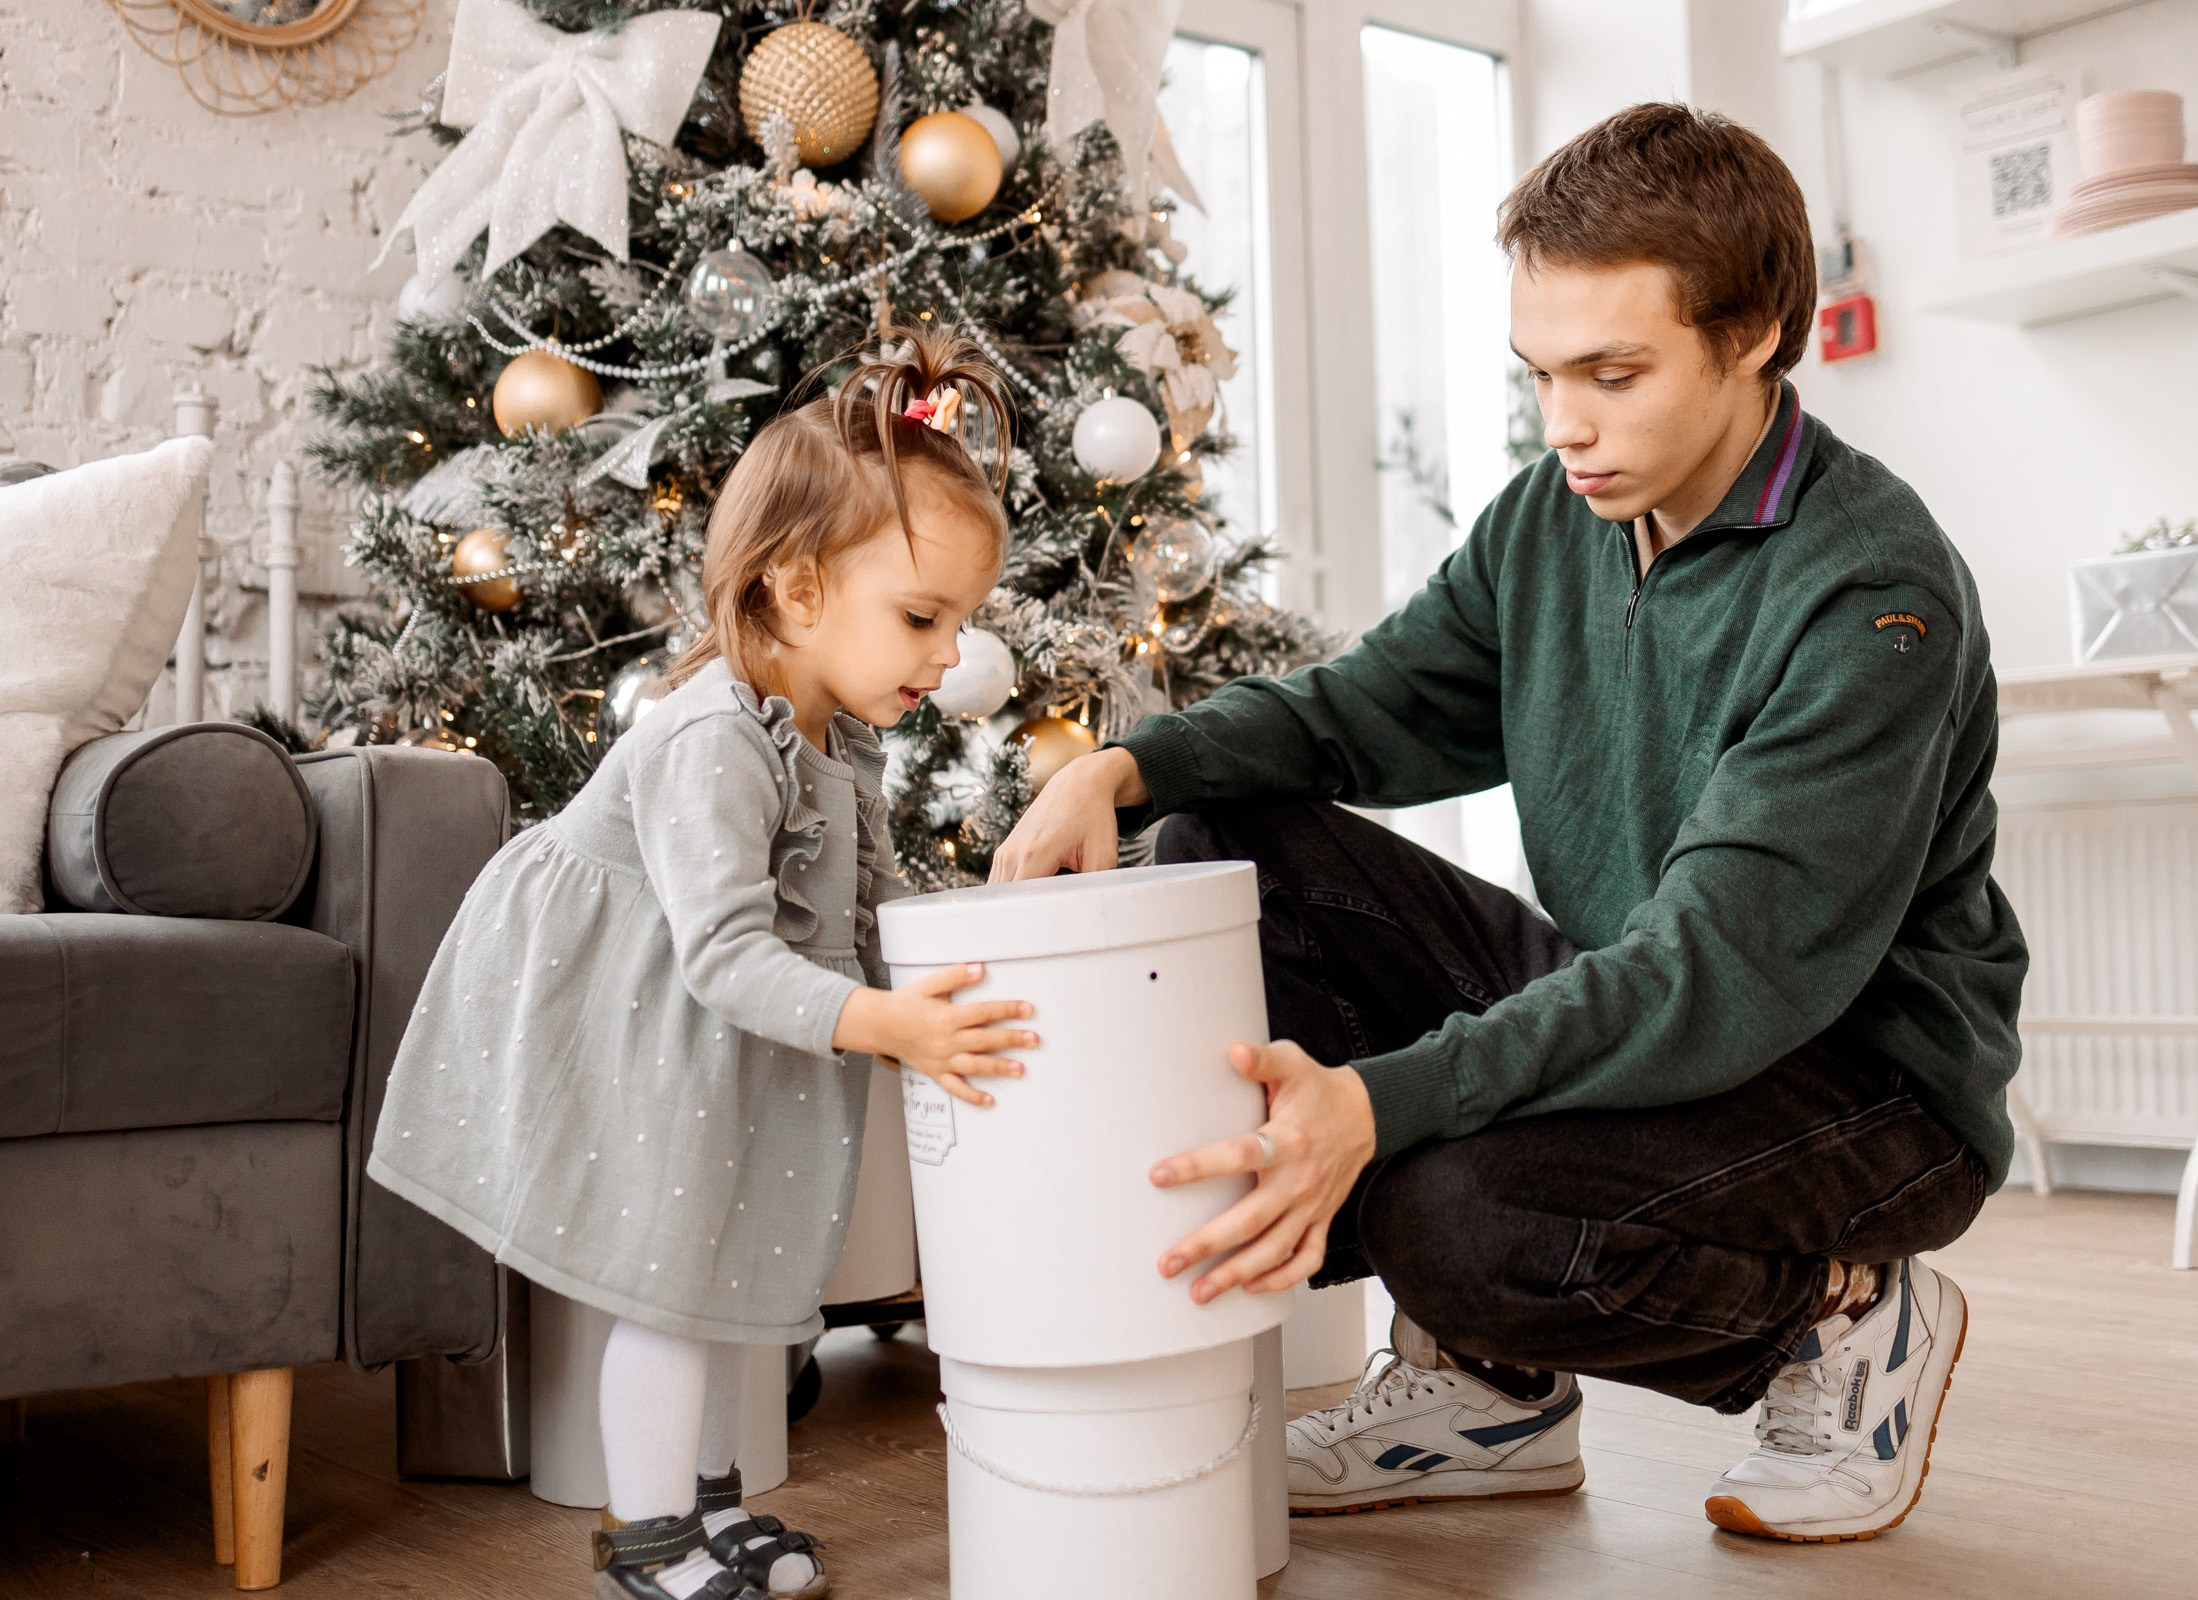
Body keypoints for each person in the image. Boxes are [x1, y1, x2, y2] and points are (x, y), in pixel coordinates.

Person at [991, 103, 2026, 1545]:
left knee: (1454, 1215)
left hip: (1858, 1083)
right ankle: (1493, 1393)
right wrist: (1126, 768)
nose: (1565, 426)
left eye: (1614, 373)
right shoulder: (1557, 517)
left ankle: (1839, 1323)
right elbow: (1367, 707)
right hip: (1670, 1011)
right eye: (1541, 375)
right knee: (1232, 849)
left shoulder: (1870, 598)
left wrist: (1382, 1102)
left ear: (1756, 336)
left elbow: (1713, 978)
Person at [367, 328, 1039, 1600]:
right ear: (794, 590)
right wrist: (888, 1026)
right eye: (922, 617)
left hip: (744, 1049)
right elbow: (725, 953)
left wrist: (966, 949)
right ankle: (652, 1537)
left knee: (744, 1282)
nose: (949, 656)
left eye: (960, 622)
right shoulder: (713, 738)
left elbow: (874, 904)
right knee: (672, 1289)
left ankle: (717, 1510)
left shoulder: (838, 743)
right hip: (659, 1030)